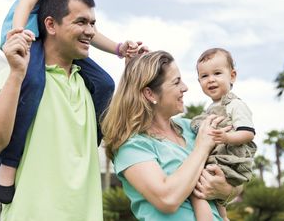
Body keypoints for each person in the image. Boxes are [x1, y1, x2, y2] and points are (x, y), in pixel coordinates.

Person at [0, 0, 142, 204]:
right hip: (31, 37)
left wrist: (120, 48)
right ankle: (9, 162)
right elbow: (26, 2)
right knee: (34, 81)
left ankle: (88, 142)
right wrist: (19, 33)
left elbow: (89, 32)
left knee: (104, 83)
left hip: (63, 43)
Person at [0, 0, 106, 220]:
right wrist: (16, 74)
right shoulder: (17, 77)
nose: (90, 31)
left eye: (93, 23)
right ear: (50, 25)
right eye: (81, 22)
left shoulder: (90, 88)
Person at [101, 51, 241, 220]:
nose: (185, 87)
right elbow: (167, 199)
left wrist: (225, 190)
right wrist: (202, 147)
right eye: (176, 82)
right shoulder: (132, 145)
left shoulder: (192, 127)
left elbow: (235, 178)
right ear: (150, 94)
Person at [190, 48, 257, 220]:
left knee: (199, 189)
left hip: (231, 157)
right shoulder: (210, 108)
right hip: (218, 157)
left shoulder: (235, 105)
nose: (211, 79)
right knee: (214, 197)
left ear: (232, 76)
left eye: (217, 73)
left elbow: (248, 133)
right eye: (204, 76)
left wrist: (227, 138)